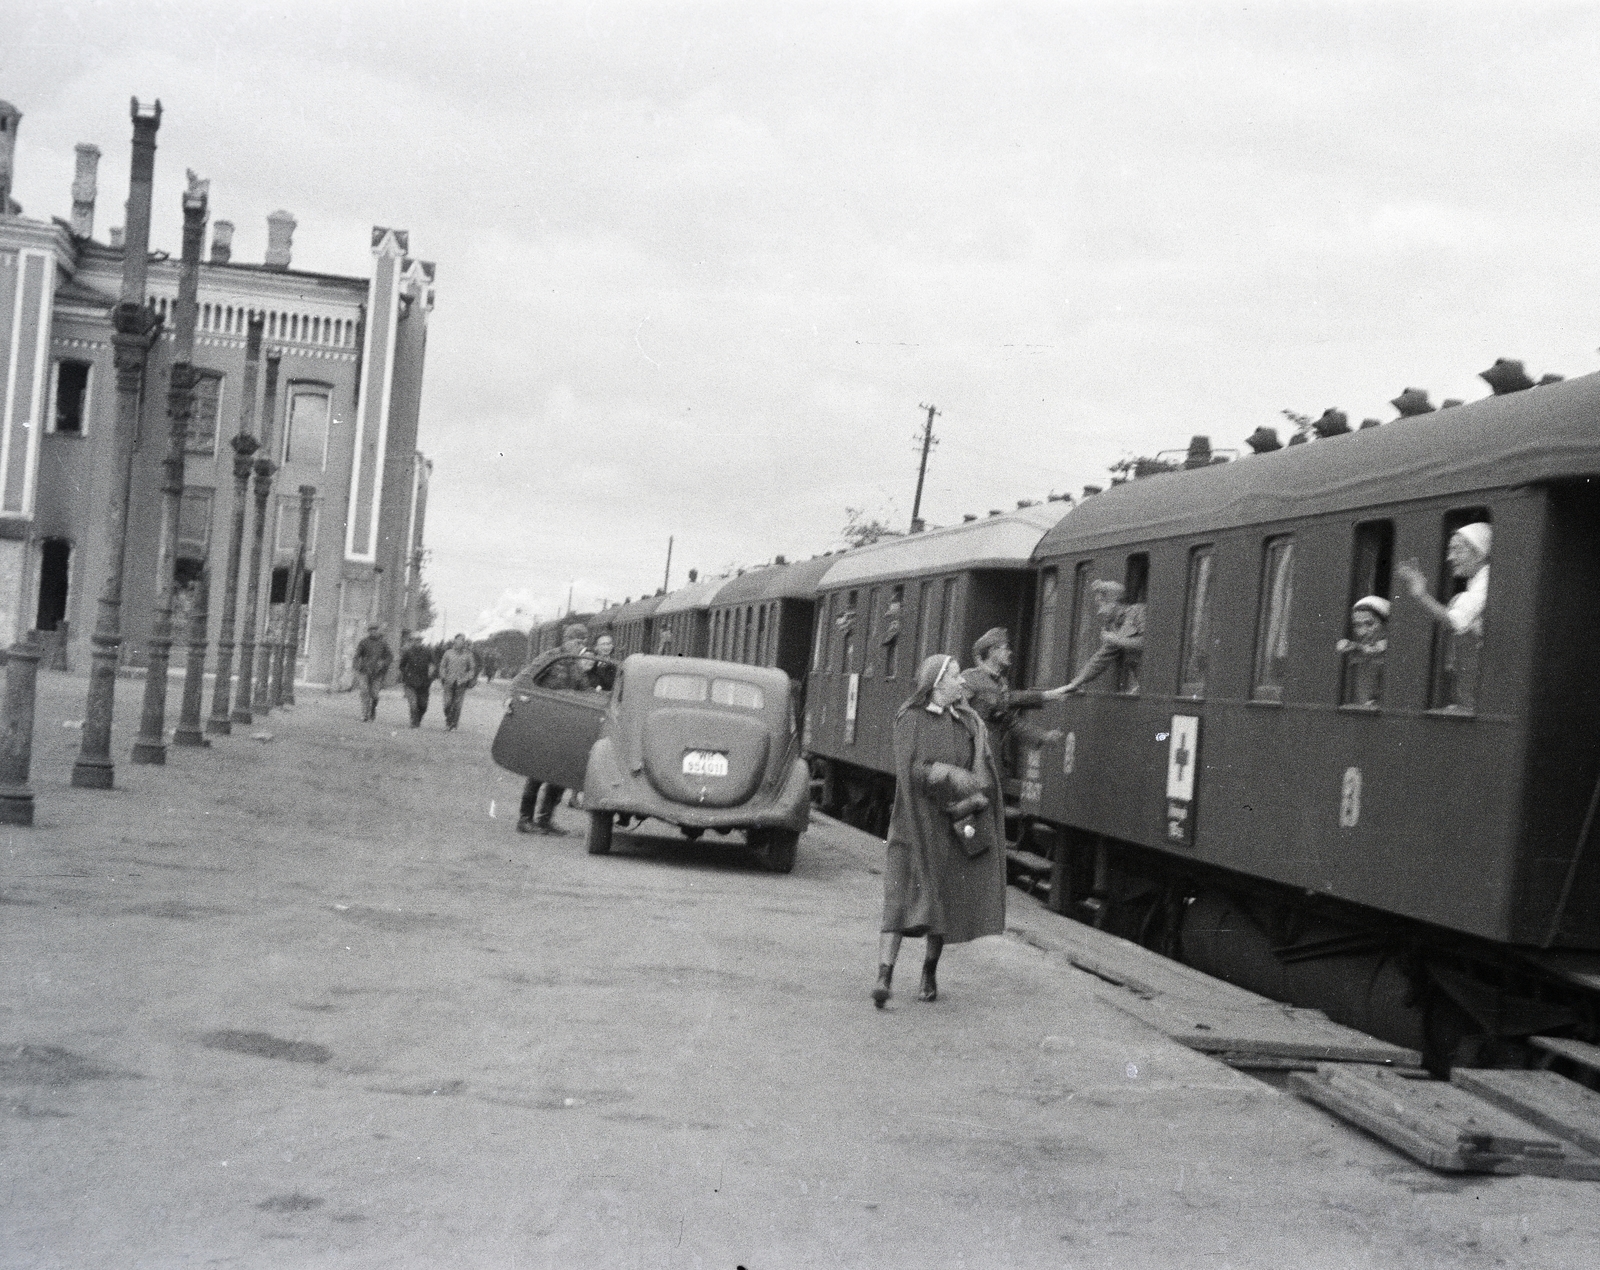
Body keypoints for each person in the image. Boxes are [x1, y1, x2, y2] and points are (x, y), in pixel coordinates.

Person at [873, 654, 1007, 1009]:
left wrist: (972, 788)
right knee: (898, 899)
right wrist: (946, 774)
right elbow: (908, 770)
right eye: (955, 676)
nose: (962, 683)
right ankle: (884, 976)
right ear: (936, 683)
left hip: (949, 826)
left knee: (940, 901)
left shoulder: (967, 723)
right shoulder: (910, 720)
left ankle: (929, 972)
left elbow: (982, 779)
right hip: (911, 825)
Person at [1396, 522, 1491, 711]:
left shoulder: (1486, 581)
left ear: (1479, 553)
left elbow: (1456, 620)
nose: (1450, 557)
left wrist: (1421, 594)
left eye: (1457, 550)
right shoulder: (1475, 583)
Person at [517, 623, 591, 835]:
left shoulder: (577, 664)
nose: (580, 645)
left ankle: (545, 819)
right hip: (546, 721)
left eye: (583, 642)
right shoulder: (551, 657)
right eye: (577, 641)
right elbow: (525, 677)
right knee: (537, 772)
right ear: (567, 639)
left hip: (566, 725)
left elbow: (583, 689)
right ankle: (525, 819)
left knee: (560, 775)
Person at [960, 627, 1067, 769]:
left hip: (991, 755)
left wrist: (1043, 736)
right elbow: (956, 712)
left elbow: (1009, 721)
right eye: (1006, 648)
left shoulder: (1001, 683)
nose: (1010, 653)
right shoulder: (970, 678)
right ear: (993, 651)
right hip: (969, 755)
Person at [1063, 580, 1145, 694]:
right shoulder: (1115, 626)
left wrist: (1117, 640)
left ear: (1113, 604)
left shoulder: (1139, 612)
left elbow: (1149, 643)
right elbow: (1101, 658)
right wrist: (1075, 683)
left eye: (1102, 605)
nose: (1099, 612)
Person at [1336, 596, 1389, 707]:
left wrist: (1355, 647)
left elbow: (1374, 650)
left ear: (1385, 624)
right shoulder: (1357, 652)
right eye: (1358, 625)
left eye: (1370, 624)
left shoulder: (1387, 646)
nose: (1363, 632)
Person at [437, 633, 479, 731]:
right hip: (449, 681)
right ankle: (448, 720)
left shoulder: (468, 654)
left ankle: (453, 724)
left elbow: (472, 669)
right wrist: (443, 676)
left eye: (463, 640)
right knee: (447, 703)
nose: (461, 642)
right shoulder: (448, 653)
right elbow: (442, 666)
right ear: (454, 640)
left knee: (457, 704)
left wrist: (467, 677)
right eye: (459, 639)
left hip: (461, 682)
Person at [352, 624, 393, 722]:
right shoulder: (363, 642)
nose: (373, 632)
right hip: (364, 671)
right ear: (369, 631)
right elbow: (357, 655)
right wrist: (356, 666)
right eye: (371, 630)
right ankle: (364, 714)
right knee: (364, 692)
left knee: (374, 694)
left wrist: (383, 663)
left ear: (378, 631)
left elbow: (390, 657)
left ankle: (373, 709)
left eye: (375, 630)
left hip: (377, 673)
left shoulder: (383, 643)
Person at [397, 633, 435, 727]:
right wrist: (406, 674)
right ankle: (414, 721)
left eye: (419, 640)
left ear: (421, 641)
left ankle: (418, 719)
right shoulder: (408, 652)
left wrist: (431, 674)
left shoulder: (428, 651)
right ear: (413, 641)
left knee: (423, 705)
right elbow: (401, 665)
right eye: (415, 640)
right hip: (410, 682)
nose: (417, 642)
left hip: (424, 682)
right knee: (413, 704)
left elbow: (433, 664)